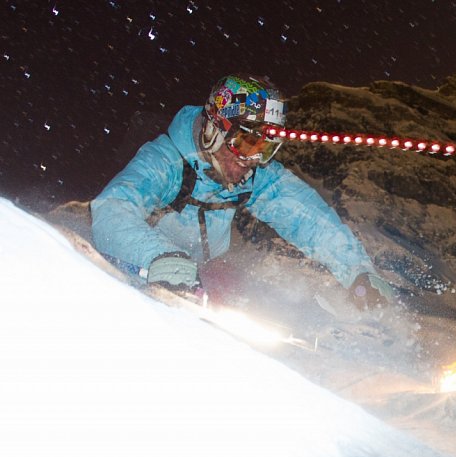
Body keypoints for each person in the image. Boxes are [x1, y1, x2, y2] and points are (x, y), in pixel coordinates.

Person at [91, 74, 393, 309]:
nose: (253, 159)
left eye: (267, 148)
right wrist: (159, 257)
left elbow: (309, 220)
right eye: (248, 143)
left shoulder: (252, 174)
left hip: (196, 277)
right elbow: (112, 208)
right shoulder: (165, 161)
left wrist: (358, 272)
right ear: (215, 129)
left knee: (245, 296)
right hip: (136, 266)